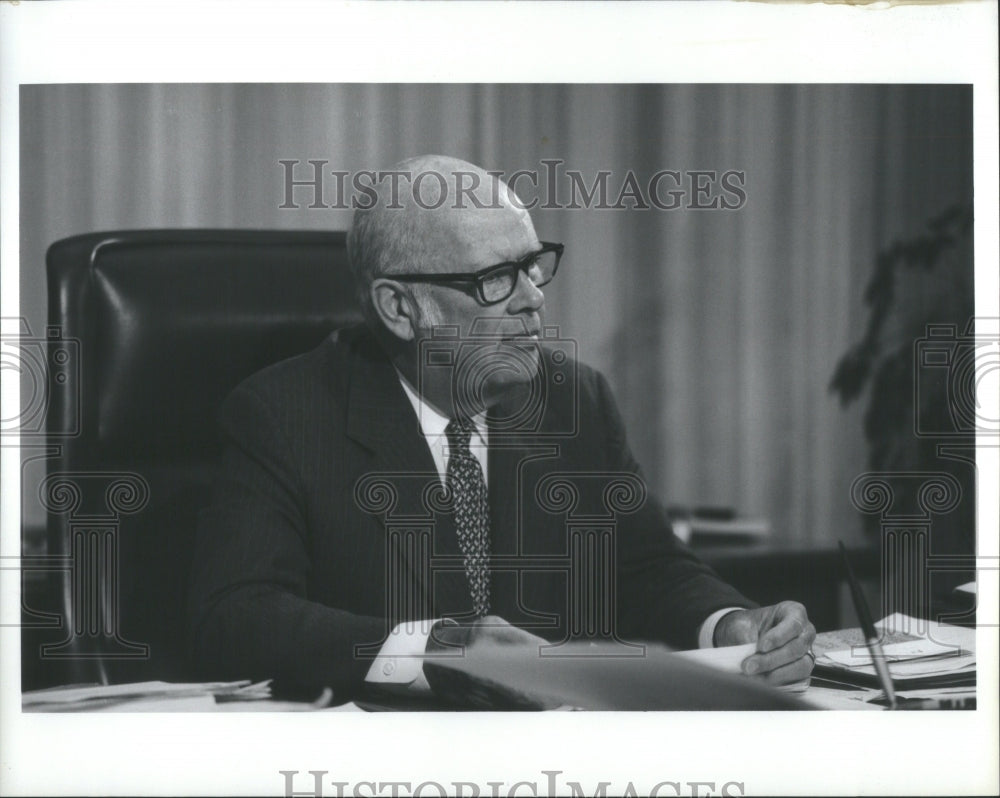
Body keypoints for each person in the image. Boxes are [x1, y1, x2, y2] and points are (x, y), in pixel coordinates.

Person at [188, 154, 816, 705]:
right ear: (400, 309)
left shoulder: (574, 400)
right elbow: (237, 617)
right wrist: (439, 649)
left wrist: (731, 624)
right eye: (495, 279)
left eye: (533, 265)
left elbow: (647, 568)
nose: (533, 299)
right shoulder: (283, 415)